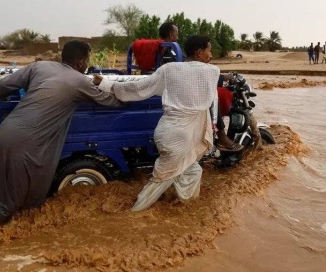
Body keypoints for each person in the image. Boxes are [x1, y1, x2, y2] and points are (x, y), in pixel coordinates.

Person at [0, 40, 122, 227]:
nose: (87, 65)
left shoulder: (40, 66)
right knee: (19, 192)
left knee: (4, 182)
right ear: (80, 63)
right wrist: (132, 94)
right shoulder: (80, 81)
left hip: (8, 128)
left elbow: (5, 84)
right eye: (87, 61)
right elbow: (111, 101)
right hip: (28, 138)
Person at [94, 35, 220, 211]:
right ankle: (135, 212)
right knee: (161, 179)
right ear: (199, 52)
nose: (211, 54)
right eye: (209, 50)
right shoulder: (212, 71)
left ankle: (186, 205)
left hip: (167, 132)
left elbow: (140, 87)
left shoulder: (169, 70)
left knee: (193, 171)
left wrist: (108, 84)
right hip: (180, 138)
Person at [158, 23, 240, 152]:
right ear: (171, 35)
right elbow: (192, 73)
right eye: (177, 34)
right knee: (213, 97)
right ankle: (221, 136)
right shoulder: (172, 51)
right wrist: (225, 77)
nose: (178, 37)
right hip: (182, 88)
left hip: (174, 86)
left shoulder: (161, 49)